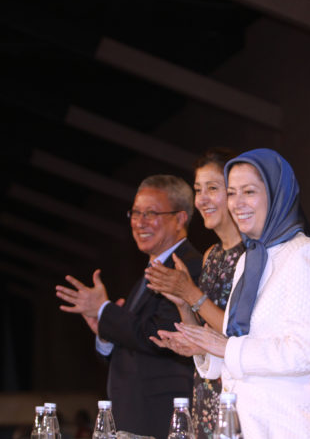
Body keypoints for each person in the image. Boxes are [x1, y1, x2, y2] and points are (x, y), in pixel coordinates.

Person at [171, 148, 310, 439]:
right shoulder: (250, 259)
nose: (237, 204)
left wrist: (225, 348)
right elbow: (244, 345)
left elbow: (307, 352)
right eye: (232, 193)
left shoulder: (305, 254)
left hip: (289, 427)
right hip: (246, 426)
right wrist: (204, 348)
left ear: (276, 194)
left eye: (248, 192)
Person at [55, 174, 202, 439]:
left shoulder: (188, 266)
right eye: (135, 213)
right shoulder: (150, 270)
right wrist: (104, 332)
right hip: (134, 416)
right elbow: (134, 343)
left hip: (161, 418)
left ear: (180, 218)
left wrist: (105, 311)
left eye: (150, 213)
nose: (139, 222)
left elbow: (164, 334)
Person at [144, 148, 245, 438]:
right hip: (206, 390)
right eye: (198, 190)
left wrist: (190, 292)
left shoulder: (254, 254)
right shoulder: (211, 255)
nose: (201, 200)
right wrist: (183, 305)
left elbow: (239, 334)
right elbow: (205, 340)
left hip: (239, 396)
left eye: (212, 188)